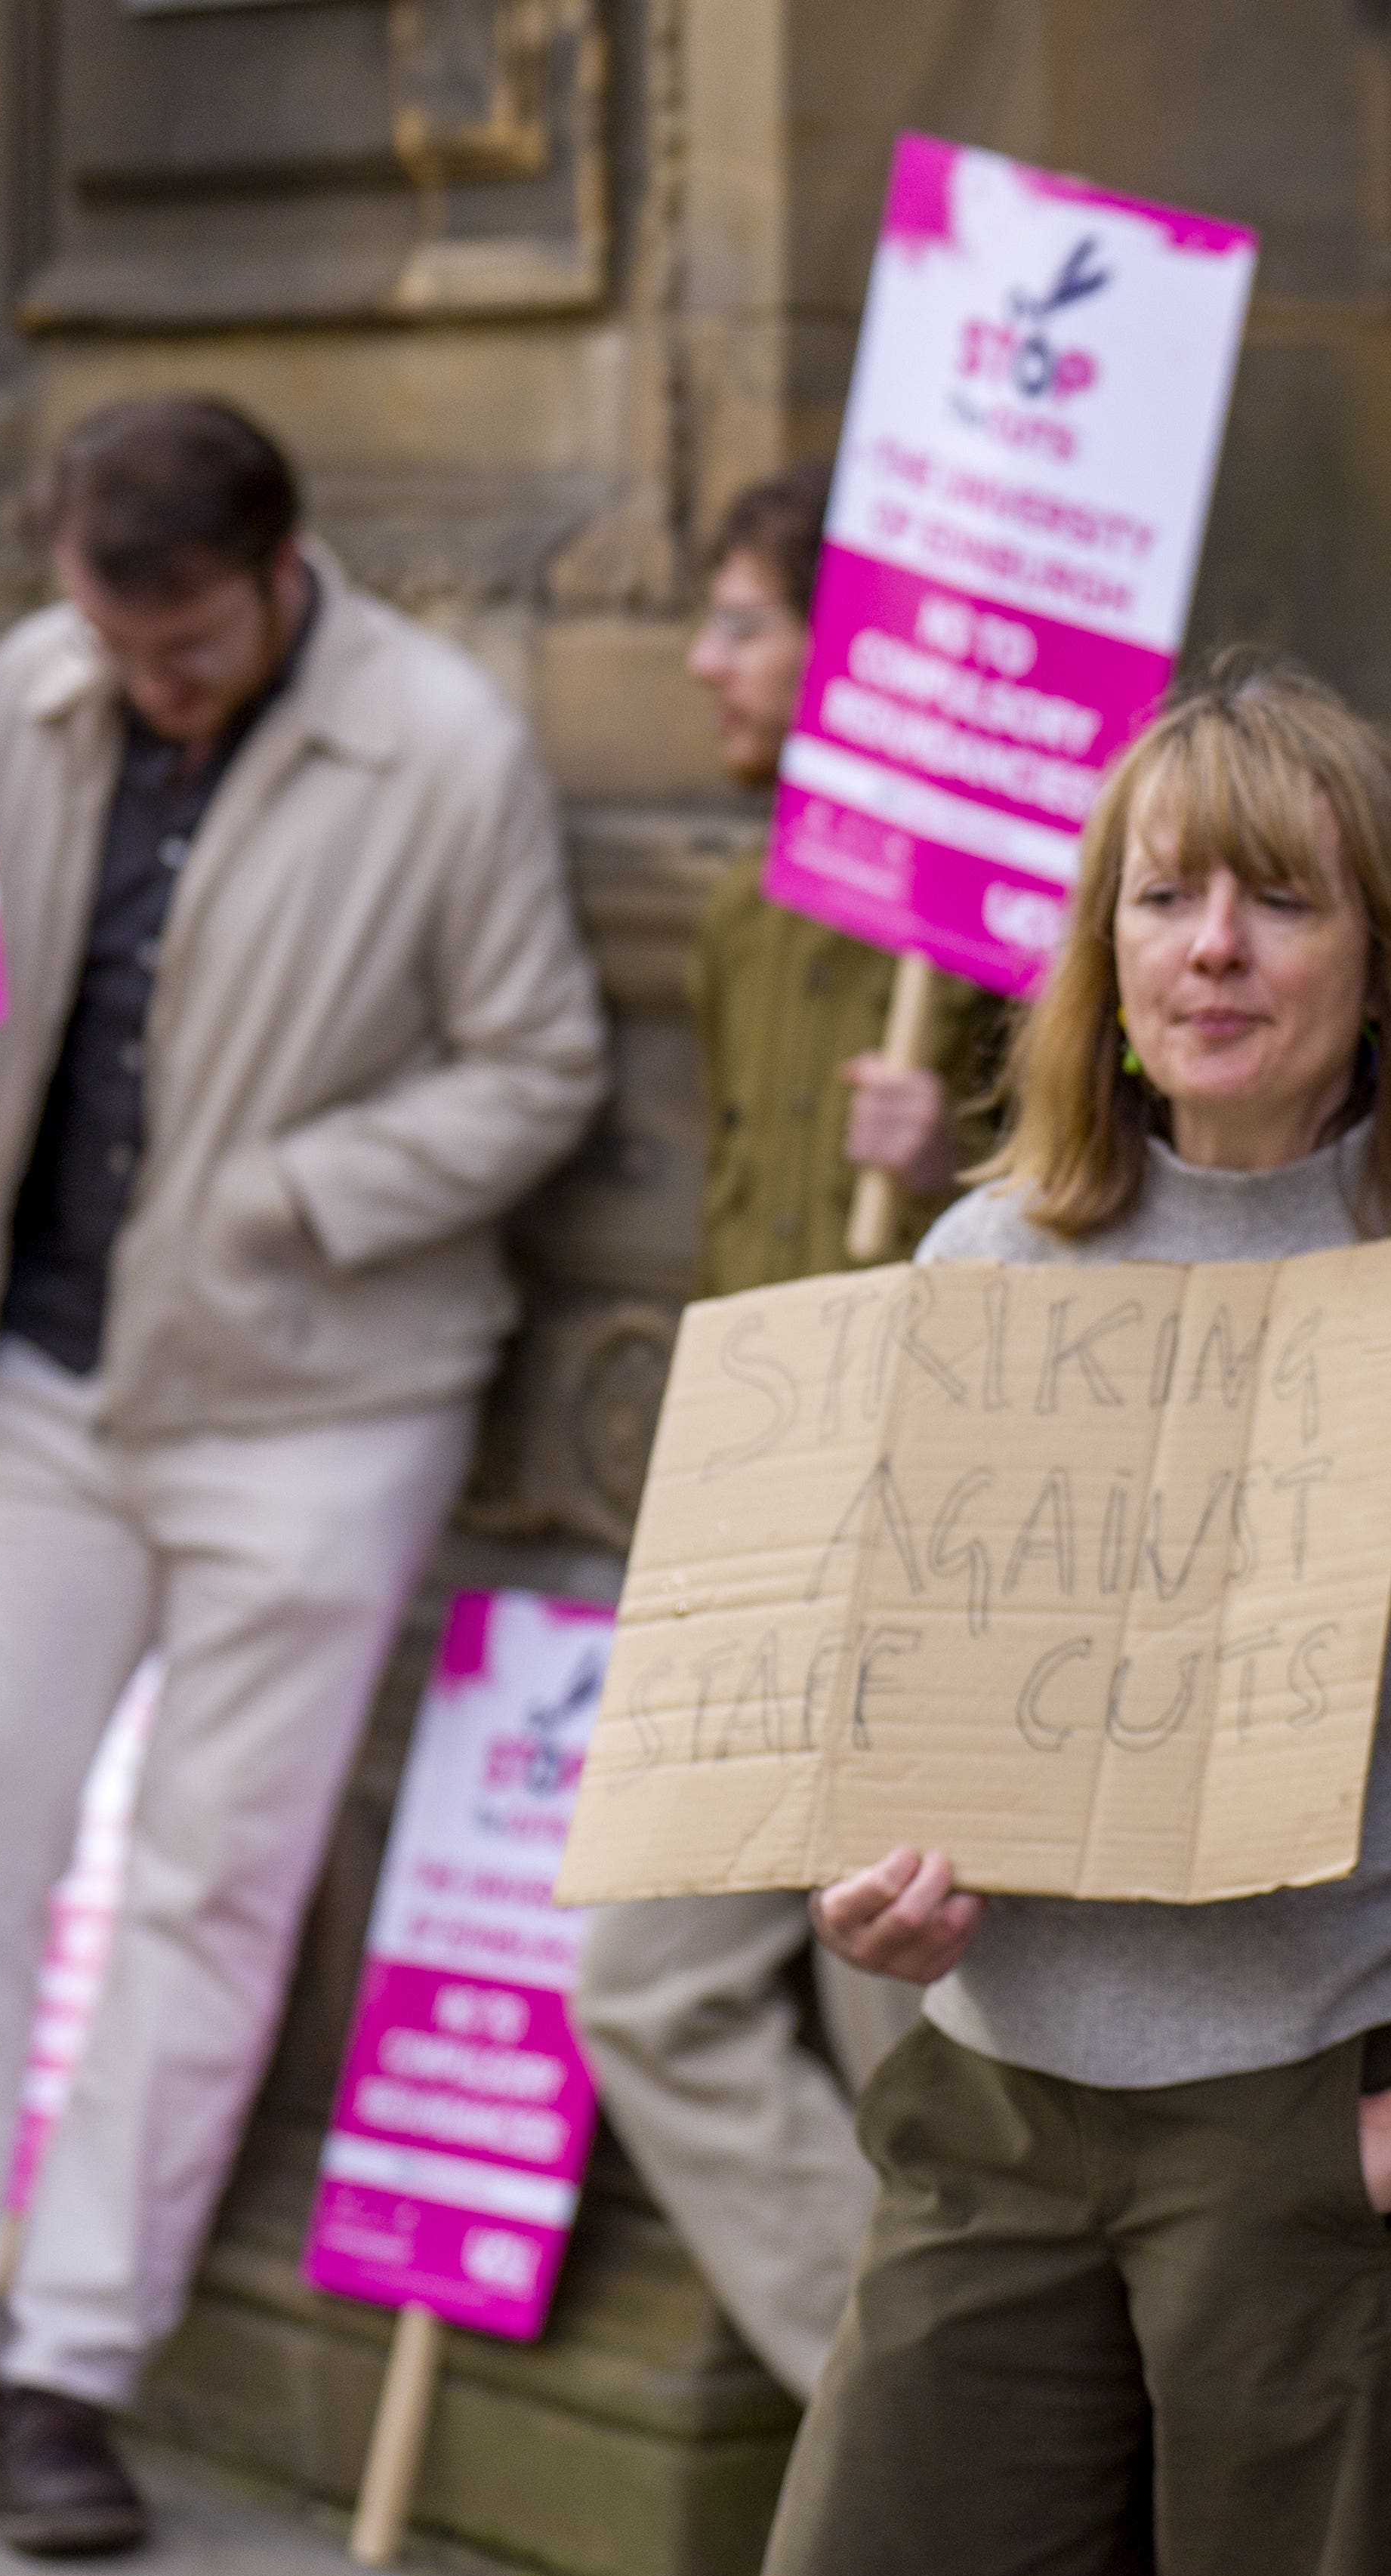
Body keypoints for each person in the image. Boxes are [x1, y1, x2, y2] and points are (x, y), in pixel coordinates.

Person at [0, 396, 607, 2557]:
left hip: (323, 1404)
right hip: (43, 1378)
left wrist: (294, 1192)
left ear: (284, 570)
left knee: (209, 1885)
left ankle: (74, 2367)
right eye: (114, 639)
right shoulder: (24, 690)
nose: (145, 683)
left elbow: (540, 1059)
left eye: (183, 647)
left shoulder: (441, 744)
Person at [754, 657, 1391, 2576]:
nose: (1212, 949)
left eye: (1279, 900)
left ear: (1385, 958)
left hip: (1344, 2125)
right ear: (1101, 947)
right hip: (999, 2116)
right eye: (1164, 898)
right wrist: (866, 1881)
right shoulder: (983, 1265)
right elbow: (885, 1710)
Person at [568, 467, 1001, 2409]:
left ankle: (972, 2492)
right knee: (643, 1989)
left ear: (855, 662)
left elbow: (1155, 1197)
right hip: (751, 1516)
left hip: (925, 1536)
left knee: (897, 2042)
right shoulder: (749, 899)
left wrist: (962, 1148)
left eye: (745, 620)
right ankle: (908, 2431)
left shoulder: (1021, 914)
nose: (701, 659)